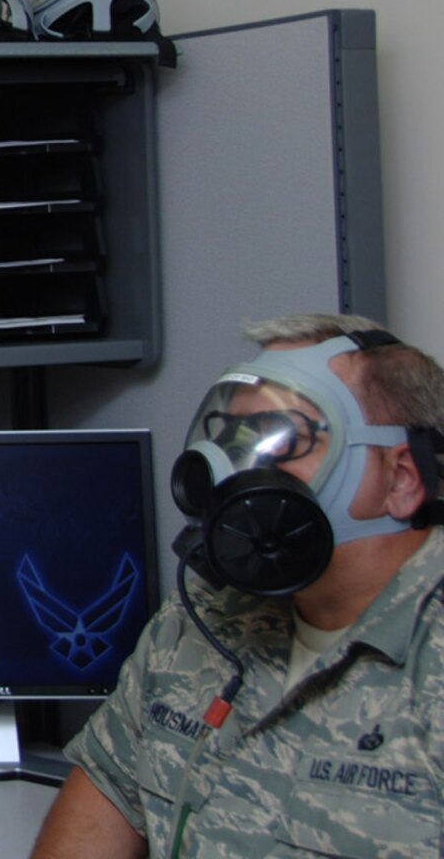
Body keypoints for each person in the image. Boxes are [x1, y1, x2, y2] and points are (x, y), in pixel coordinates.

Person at [31, 313, 444, 858]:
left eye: (286, 442)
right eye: (236, 438)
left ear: (401, 480)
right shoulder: (201, 618)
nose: (240, 475)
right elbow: (103, 805)